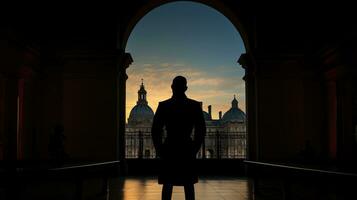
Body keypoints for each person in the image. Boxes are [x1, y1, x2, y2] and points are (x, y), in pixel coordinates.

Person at [151, 76, 206, 200]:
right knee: (189, 185)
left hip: (169, 148)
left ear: (172, 87)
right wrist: (195, 148)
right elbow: (201, 131)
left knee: (167, 185)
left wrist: (160, 149)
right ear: (186, 88)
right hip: (187, 147)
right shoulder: (194, 106)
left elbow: (156, 131)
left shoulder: (164, 105)